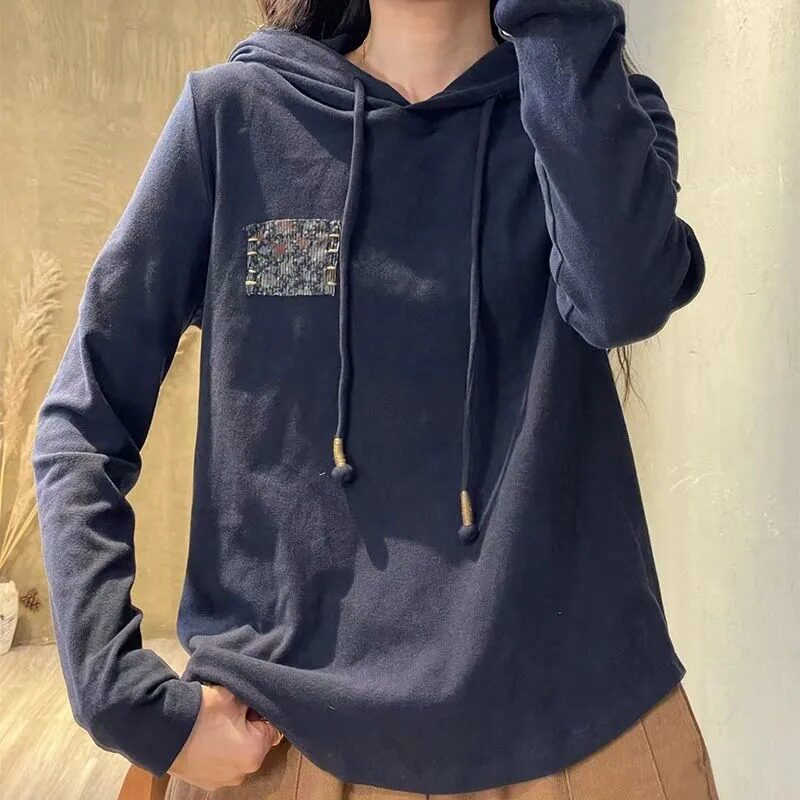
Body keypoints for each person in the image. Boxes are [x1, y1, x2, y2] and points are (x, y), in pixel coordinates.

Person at [32, 0, 719, 798]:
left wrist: (560, 30)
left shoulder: (592, 111)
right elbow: (83, 420)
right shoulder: (232, 120)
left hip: (587, 737)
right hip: (283, 744)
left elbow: (622, 301)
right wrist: (123, 696)